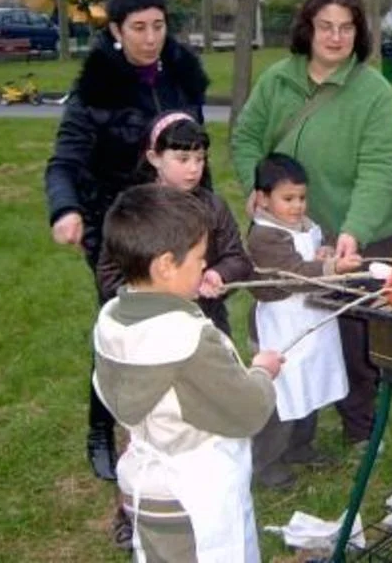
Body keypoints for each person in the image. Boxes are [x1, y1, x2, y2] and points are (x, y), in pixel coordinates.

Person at [44, 0, 210, 483]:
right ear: (116, 31)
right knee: (124, 328)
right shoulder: (95, 90)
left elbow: (195, 149)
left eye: (158, 25)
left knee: (184, 320)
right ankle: (102, 427)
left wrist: (206, 212)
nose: (150, 37)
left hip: (178, 224)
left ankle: (181, 413)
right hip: (117, 230)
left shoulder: (182, 77)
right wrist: (65, 210)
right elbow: (64, 162)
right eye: (138, 27)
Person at [231, 0, 392, 449]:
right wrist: (255, 188)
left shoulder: (374, 93)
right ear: (307, 28)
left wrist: (355, 231)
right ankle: (291, 420)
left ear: (359, 33)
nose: (335, 37)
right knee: (289, 320)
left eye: (346, 28)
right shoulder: (277, 80)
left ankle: (360, 424)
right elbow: (246, 137)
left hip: (359, 229)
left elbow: (379, 169)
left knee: (355, 329)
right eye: (325, 26)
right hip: (287, 230)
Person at [92, 184, 282, 562]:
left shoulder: (113, 318)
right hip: (196, 494)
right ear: (165, 265)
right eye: (198, 259)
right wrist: (262, 372)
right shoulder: (189, 340)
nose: (205, 265)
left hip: (148, 488)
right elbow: (247, 411)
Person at [245, 153, 362, 489]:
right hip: (282, 327)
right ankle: (267, 463)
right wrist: (332, 268)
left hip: (311, 321)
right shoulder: (264, 236)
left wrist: (325, 253)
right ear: (263, 198)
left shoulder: (305, 225)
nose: (297, 206)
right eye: (288, 199)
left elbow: (311, 253)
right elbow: (293, 274)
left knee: (311, 384)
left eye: (301, 198)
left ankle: (300, 446)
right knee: (283, 395)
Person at [96, 112, 251, 338]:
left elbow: (237, 258)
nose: (194, 168)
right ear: (154, 158)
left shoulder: (214, 207)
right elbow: (109, 275)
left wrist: (220, 274)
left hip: (204, 321)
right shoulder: (135, 210)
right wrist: (156, 295)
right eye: (183, 159)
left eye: (200, 159)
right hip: (145, 329)